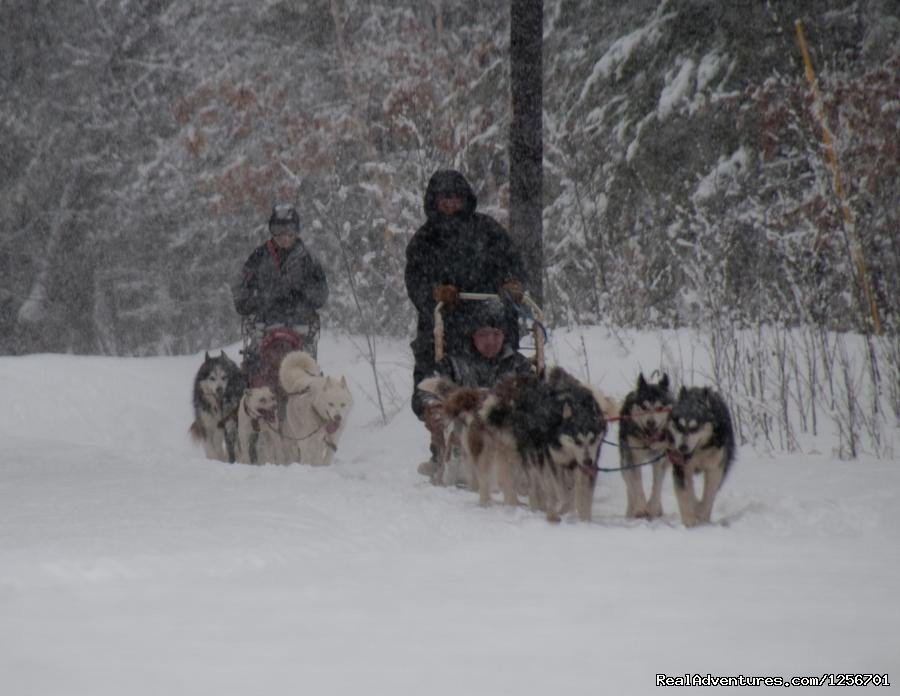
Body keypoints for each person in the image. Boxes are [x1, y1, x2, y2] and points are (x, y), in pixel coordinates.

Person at [405, 169, 526, 417]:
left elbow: (512, 261)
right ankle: (434, 408)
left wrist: (512, 282)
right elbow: (415, 281)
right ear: (434, 202)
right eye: (444, 199)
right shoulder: (424, 240)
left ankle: (516, 396)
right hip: (447, 318)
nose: (450, 204)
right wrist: (435, 293)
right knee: (431, 348)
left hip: (490, 311)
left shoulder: (487, 229)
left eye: (456, 198)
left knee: (504, 339)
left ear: (465, 199)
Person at [413, 297, 535, 477]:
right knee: (443, 416)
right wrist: (433, 407)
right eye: (484, 334)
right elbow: (426, 390)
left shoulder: (518, 365)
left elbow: (536, 395)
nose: (491, 341)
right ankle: (444, 462)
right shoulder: (454, 362)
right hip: (464, 433)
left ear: (504, 336)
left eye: (496, 334)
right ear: (473, 335)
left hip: (507, 433)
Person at [232, 203, 328, 385]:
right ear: (271, 230)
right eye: (278, 230)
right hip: (264, 323)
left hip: (300, 325)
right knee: (253, 371)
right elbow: (240, 291)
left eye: (290, 230)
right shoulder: (259, 257)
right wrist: (259, 298)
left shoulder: (308, 259)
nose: (284, 236)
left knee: (307, 374)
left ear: (297, 231)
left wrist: (302, 289)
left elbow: (321, 295)